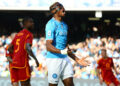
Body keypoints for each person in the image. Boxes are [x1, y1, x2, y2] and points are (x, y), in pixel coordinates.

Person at [45, 2, 89, 86]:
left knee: (70, 84)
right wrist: (62, 52)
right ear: (55, 11)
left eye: (63, 7)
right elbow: (48, 46)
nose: (64, 10)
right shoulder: (50, 24)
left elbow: (66, 47)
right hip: (54, 60)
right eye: (61, 8)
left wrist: (77, 59)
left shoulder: (64, 25)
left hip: (65, 58)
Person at [6, 17, 39, 86]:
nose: (33, 24)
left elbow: (9, 48)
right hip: (22, 63)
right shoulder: (28, 34)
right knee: (26, 83)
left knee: (17, 83)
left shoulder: (18, 34)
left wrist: (17, 54)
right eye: (31, 22)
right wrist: (35, 59)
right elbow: (28, 48)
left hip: (14, 63)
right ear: (25, 24)